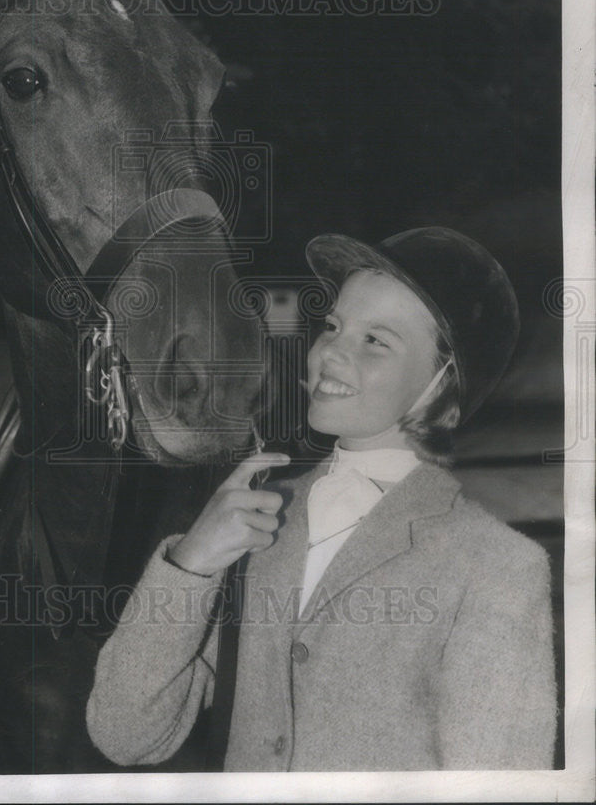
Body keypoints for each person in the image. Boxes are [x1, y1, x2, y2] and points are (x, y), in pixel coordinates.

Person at [86, 227, 557, 771]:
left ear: (445, 389)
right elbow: (125, 735)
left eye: (375, 340)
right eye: (333, 325)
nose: (330, 351)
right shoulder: (254, 523)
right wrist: (192, 563)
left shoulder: (498, 568)